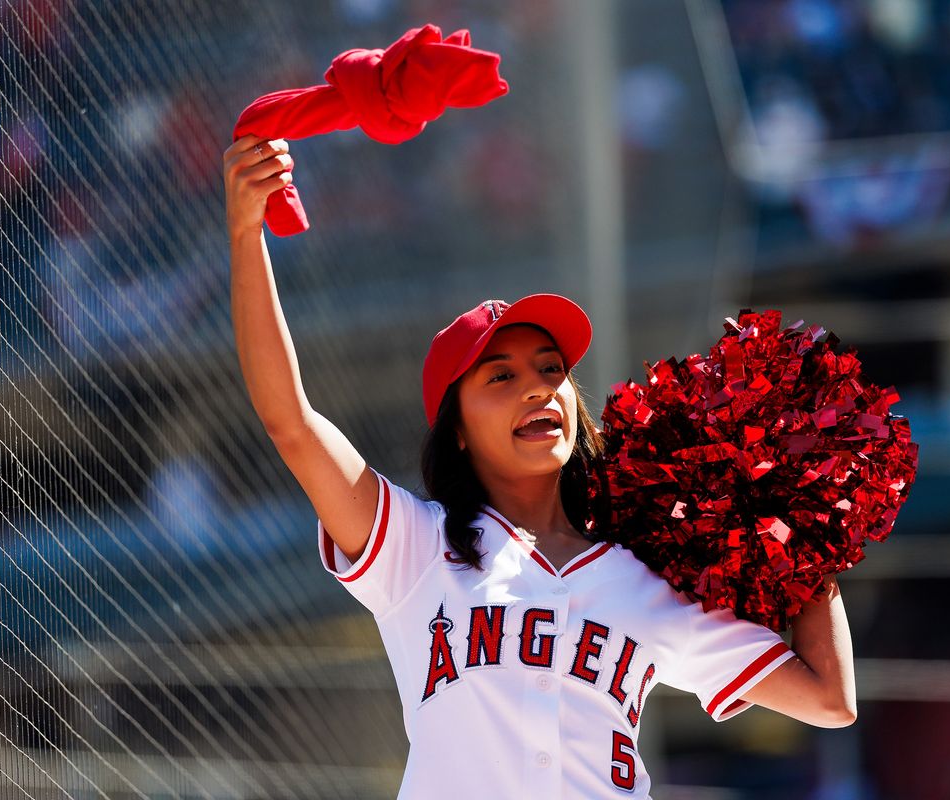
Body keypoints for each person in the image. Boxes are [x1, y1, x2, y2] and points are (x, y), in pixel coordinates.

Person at [224, 134, 857, 799]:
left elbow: (828, 699)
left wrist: (805, 522)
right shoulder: (415, 550)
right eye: (500, 376)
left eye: (551, 370)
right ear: (458, 433)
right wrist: (245, 231)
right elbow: (290, 423)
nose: (537, 388)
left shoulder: (647, 574)